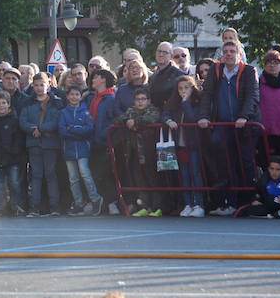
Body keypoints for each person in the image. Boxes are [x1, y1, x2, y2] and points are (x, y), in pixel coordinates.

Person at [198, 41, 260, 215]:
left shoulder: (249, 71)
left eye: (232, 51)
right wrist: (203, 116)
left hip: (244, 125)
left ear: (239, 54)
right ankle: (226, 202)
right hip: (223, 124)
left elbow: (252, 96)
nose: (229, 54)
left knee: (246, 162)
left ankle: (247, 203)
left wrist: (244, 116)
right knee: (223, 161)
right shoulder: (215, 70)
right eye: (225, 51)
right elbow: (207, 95)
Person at [19, 72, 63, 216]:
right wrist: (33, 130)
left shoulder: (56, 102)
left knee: (50, 175)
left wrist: (41, 129)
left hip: (50, 144)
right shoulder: (28, 103)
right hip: (33, 143)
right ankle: (34, 207)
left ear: (48, 84)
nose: (39, 88)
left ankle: (54, 207)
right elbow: (23, 121)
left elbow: (56, 121)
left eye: (42, 85)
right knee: (36, 175)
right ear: (33, 85)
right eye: (36, 85)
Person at [113, 87, 161, 216]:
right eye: (137, 99)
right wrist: (127, 121)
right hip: (134, 152)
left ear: (148, 100)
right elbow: (118, 119)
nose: (140, 102)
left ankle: (157, 207)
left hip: (150, 151)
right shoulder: (131, 111)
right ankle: (144, 206)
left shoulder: (153, 110)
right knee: (140, 180)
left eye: (143, 99)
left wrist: (136, 122)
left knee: (153, 179)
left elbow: (152, 118)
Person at [58, 85, 103, 216]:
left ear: (80, 96)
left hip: (83, 148)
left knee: (85, 173)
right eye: (71, 94)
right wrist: (78, 130)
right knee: (73, 178)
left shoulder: (85, 111)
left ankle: (95, 198)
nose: (74, 97)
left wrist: (71, 128)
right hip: (69, 149)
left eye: (77, 94)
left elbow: (88, 130)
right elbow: (62, 131)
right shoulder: (63, 113)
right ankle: (79, 202)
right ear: (67, 96)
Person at [163, 76, 205, 217]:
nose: (183, 91)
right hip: (179, 145)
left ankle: (198, 203)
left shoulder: (197, 102)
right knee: (184, 175)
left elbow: (193, 117)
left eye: (186, 88)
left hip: (193, 144)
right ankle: (187, 204)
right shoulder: (174, 102)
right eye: (180, 88)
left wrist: (186, 103)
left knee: (195, 174)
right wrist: (169, 121)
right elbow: (165, 114)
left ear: (192, 88)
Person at [0, 91, 25, 216]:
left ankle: (16, 205)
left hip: (12, 159)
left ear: (9, 104)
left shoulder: (14, 120)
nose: (1, 106)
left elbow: (18, 140)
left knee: (14, 183)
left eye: (4, 103)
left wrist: (14, 153)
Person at [86, 68, 119, 214]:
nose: (93, 80)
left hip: (103, 142)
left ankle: (112, 202)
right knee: (97, 173)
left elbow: (114, 119)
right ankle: (106, 202)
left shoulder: (110, 98)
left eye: (96, 77)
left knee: (106, 173)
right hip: (93, 142)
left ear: (104, 79)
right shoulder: (95, 98)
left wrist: (104, 134)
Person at [149, 41, 183, 108]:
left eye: (165, 52)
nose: (161, 54)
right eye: (159, 51)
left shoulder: (179, 75)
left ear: (171, 56)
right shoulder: (153, 76)